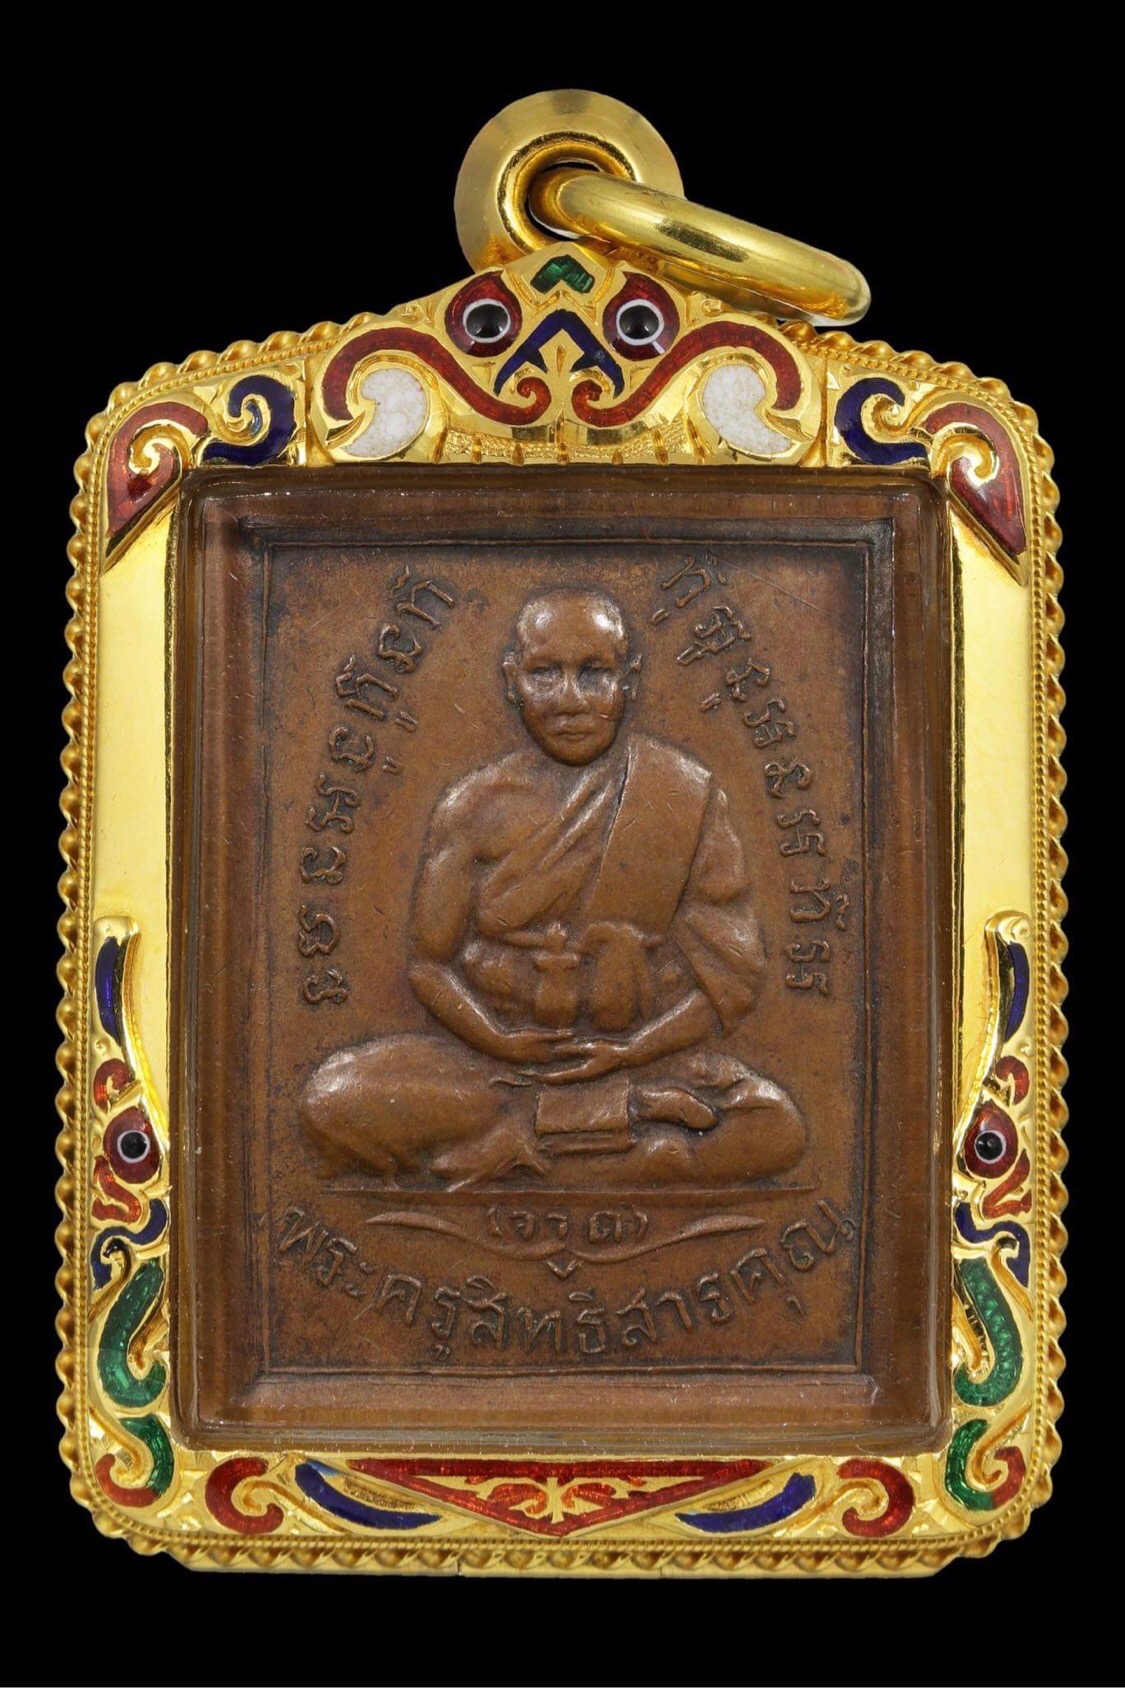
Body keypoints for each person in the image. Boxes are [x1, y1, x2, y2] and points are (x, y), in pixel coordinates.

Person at [301, 589, 805, 1186]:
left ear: (628, 680)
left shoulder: (683, 794)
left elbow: (730, 982)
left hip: (647, 1058)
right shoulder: (472, 807)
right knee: (332, 1098)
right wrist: (500, 1041)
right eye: (545, 674)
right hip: (497, 1067)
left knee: (777, 1125)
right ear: (513, 680)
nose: (570, 699)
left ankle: (541, 1135)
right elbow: (429, 965)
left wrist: (630, 1051)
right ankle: (617, 1131)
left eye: (593, 674)